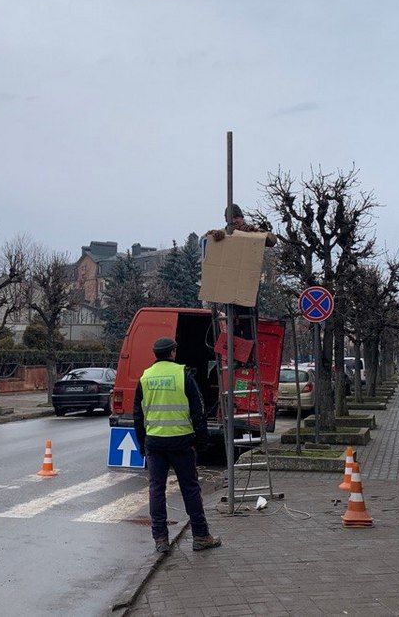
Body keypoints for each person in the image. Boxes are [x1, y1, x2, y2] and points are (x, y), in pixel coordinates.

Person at [133, 337, 221, 554]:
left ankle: (161, 540)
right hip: (182, 442)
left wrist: (142, 444)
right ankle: (201, 536)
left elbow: (138, 415)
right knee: (190, 489)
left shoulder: (145, 378)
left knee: (156, 490)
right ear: (172, 353)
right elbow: (198, 411)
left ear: (155, 354)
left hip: (155, 443)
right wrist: (201, 441)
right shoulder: (183, 375)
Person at [207, 204, 276, 341]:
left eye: (237, 217)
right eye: (230, 218)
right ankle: (237, 357)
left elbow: (272, 240)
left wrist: (256, 232)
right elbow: (205, 240)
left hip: (248, 287)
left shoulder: (250, 231)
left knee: (250, 326)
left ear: (242, 218)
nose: (234, 221)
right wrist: (213, 235)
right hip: (228, 287)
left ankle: (249, 357)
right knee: (233, 327)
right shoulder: (223, 233)